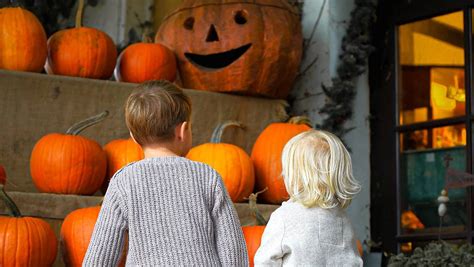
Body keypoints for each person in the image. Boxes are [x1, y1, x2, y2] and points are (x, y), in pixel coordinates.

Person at [83, 80, 248, 266]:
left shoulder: (123, 182)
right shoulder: (207, 177)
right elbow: (232, 247)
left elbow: (100, 256)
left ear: (133, 138)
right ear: (183, 131)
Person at [254, 130, 363, 266]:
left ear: (294, 177)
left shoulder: (285, 217)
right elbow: (353, 262)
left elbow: (265, 261)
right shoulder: (342, 220)